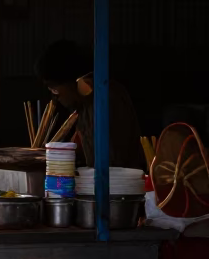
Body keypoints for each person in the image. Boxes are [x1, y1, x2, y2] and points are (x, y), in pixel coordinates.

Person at [35, 39, 146, 169]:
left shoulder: (107, 98)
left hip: (120, 184)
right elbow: (80, 149)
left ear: (71, 80)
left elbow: (115, 160)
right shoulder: (81, 106)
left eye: (54, 88)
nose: (55, 96)